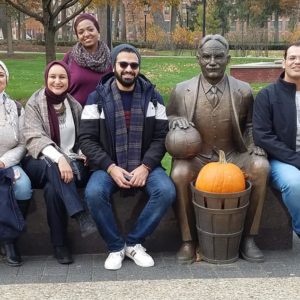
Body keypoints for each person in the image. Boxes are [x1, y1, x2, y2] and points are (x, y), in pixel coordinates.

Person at [166, 34, 269, 264]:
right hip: (197, 155)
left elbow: (251, 125)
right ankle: (188, 241)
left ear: (228, 59)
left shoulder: (243, 90)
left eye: (218, 56)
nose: (212, 61)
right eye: (207, 56)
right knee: (179, 174)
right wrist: (174, 122)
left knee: (261, 167)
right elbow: (169, 115)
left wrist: (254, 146)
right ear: (198, 59)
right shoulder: (182, 90)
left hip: (233, 154)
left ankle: (248, 238)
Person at [79, 44, 176, 270]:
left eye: (134, 65)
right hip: (108, 166)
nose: (129, 69)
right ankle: (115, 247)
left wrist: (146, 166)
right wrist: (110, 167)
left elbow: (162, 137)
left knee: (167, 191)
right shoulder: (97, 98)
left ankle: (134, 243)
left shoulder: (153, 97)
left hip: (144, 165)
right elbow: (87, 140)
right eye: (123, 64)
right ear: (113, 66)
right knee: (93, 193)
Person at [22, 61, 96, 265]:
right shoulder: (35, 103)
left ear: (69, 80)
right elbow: (33, 137)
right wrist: (59, 158)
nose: (57, 81)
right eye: (52, 77)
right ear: (46, 78)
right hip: (38, 161)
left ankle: (60, 245)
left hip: (69, 164)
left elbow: (84, 136)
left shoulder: (74, 105)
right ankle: (80, 213)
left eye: (62, 77)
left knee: (53, 190)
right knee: (52, 167)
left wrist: (81, 152)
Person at [253, 41, 300, 239]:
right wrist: (295, 159)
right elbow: (262, 135)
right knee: (295, 184)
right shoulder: (267, 95)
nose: (297, 62)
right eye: (292, 58)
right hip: (280, 160)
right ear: (283, 63)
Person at [0, 60, 32, 266]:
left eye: (0, 74)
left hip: (8, 162)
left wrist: (3, 162)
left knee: (23, 187)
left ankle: (9, 239)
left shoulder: (16, 108)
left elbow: (22, 144)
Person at [63, 13, 112, 106]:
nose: (86, 34)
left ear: (98, 30)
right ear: (77, 36)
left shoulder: (109, 58)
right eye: (81, 32)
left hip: (102, 116)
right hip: (75, 116)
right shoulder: (69, 58)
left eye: (90, 29)